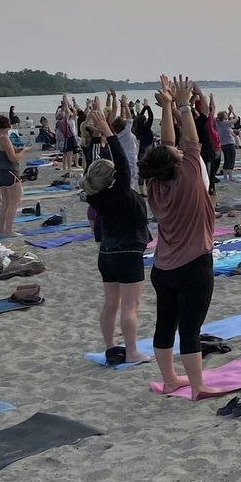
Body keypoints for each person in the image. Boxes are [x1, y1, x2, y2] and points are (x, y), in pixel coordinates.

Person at [142, 75, 223, 400]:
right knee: (190, 329)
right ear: (178, 163)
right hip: (193, 266)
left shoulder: (154, 185)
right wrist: (185, 106)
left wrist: (165, 107)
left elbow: (167, 146)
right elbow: (190, 141)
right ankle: (198, 385)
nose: (178, 151)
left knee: (165, 326)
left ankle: (171, 379)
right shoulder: (189, 178)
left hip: (163, 270)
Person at [81, 108, 152, 364]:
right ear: (112, 177)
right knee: (130, 306)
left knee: (111, 303)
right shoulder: (120, 191)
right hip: (128, 252)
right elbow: (123, 162)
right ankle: (132, 352)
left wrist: (101, 136)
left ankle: (111, 347)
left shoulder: (95, 195)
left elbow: (109, 165)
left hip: (107, 254)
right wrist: (110, 133)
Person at [0, 115, 28, 238]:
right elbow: (13, 158)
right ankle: (9, 231)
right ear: (5, 126)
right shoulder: (3, 138)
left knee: (5, 202)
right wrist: (23, 152)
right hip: (8, 171)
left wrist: (19, 149)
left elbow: (7, 151)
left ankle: (1, 231)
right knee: (14, 202)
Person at [215, 105, 239, 183]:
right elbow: (236, 118)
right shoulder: (226, 123)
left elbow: (224, 118)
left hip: (223, 145)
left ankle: (225, 176)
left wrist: (228, 112)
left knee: (226, 159)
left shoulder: (218, 123)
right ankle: (231, 176)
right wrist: (232, 111)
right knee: (231, 160)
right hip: (229, 144)